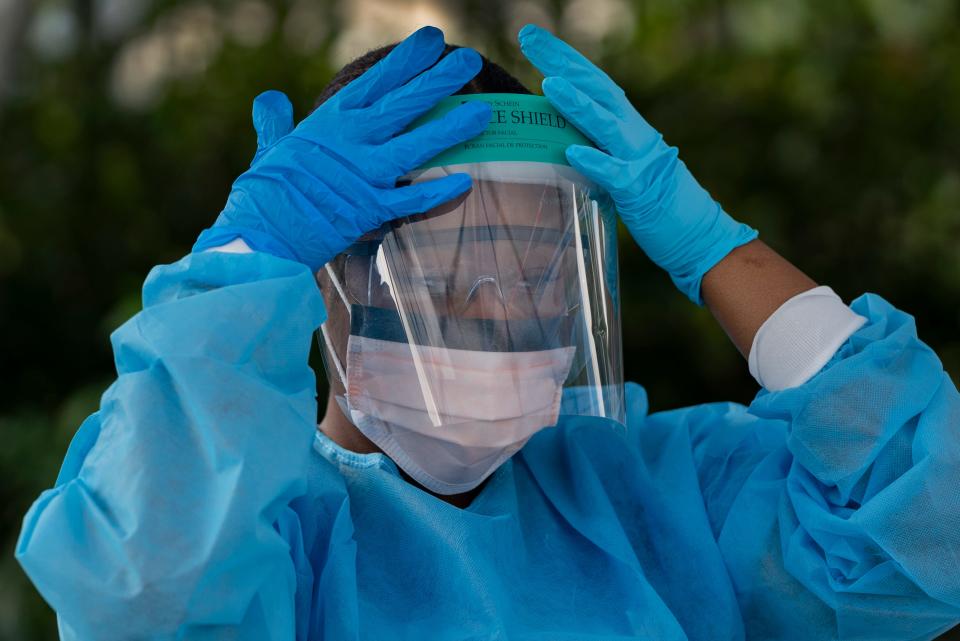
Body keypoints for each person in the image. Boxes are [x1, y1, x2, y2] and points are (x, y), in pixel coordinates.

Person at [15, 24, 960, 641]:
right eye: (457, 285)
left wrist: (719, 248)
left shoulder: (657, 502)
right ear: (331, 282)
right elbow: (140, 595)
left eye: (541, 278)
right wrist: (241, 260)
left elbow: (927, 537)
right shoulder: (275, 538)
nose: (509, 317)